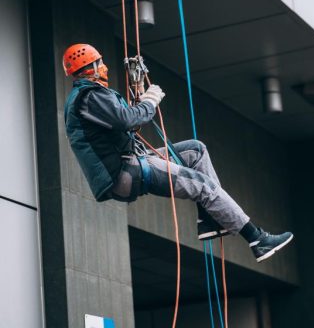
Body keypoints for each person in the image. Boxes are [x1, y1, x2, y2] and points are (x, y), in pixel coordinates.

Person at [63, 44, 293, 262]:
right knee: (203, 185)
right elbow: (128, 120)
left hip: (130, 164)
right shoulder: (89, 96)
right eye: (100, 63)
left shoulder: (90, 97)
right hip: (126, 170)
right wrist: (149, 103)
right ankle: (257, 239)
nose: (104, 67)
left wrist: (140, 98)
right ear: (91, 67)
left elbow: (126, 124)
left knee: (196, 150)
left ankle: (209, 221)